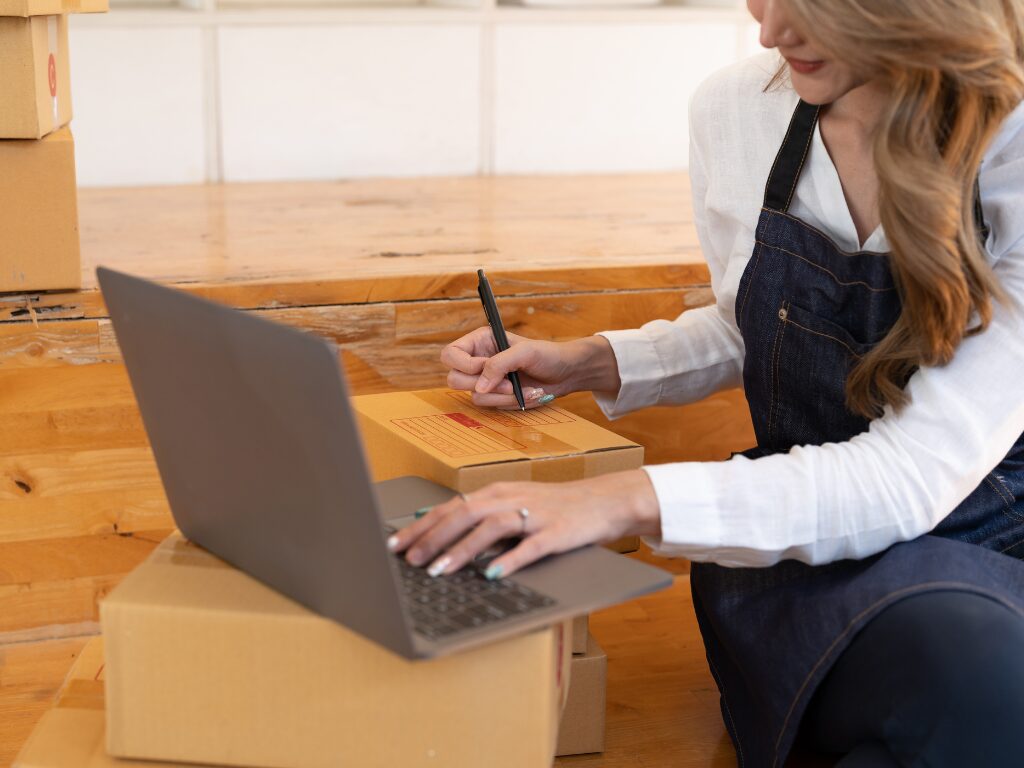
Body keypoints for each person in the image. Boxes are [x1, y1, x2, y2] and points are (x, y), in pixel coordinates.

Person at [388, 1, 1024, 765]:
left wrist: (617, 499)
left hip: (991, 532)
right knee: (971, 683)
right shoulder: (736, 112)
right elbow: (754, 318)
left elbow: (909, 475)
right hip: (799, 551)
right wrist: (594, 360)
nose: (772, 33)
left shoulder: (1011, 142)